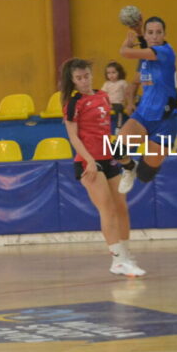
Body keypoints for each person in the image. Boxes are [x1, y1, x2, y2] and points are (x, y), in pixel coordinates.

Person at [61, 58, 145, 277]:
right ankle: (117, 260)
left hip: (109, 159)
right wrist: (89, 160)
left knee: (121, 208)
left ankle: (126, 255)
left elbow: (103, 130)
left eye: (86, 76)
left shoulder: (102, 96)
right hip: (88, 162)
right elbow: (73, 136)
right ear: (72, 80)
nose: (84, 81)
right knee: (106, 208)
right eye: (78, 78)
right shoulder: (73, 103)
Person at [114, 16, 177, 194]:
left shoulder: (165, 52)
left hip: (164, 121)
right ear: (146, 35)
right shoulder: (145, 58)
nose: (155, 36)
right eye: (150, 32)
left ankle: (163, 147)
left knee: (145, 175)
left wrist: (127, 42)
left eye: (159, 32)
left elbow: (125, 52)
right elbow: (135, 82)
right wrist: (130, 102)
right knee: (117, 151)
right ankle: (128, 168)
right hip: (142, 116)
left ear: (165, 34)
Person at [101, 61, 129, 133]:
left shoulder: (122, 82)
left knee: (119, 110)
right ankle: (102, 127)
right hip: (108, 103)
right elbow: (103, 94)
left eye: (113, 72)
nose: (111, 75)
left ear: (119, 73)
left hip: (118, 103)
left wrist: (127, 103)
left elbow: (127, 94)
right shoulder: (107, 84)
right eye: (108, 73)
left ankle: (118, 127)